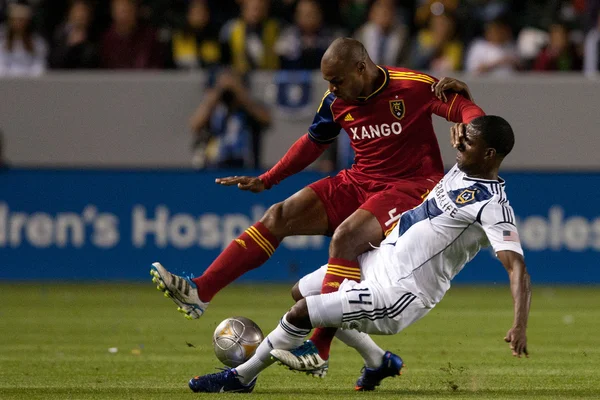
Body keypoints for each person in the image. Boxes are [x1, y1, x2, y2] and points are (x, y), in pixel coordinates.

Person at [150, 37, 484, 370]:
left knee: (347, 239)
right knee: (279, 215)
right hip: (358, 180)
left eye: (336, 80)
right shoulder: (335, 101)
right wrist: (268, 179)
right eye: (328, 81)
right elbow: (312, 143)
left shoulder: (413, 86)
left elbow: (468, 110)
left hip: (411, 188)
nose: (332, 88)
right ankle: (201, 291)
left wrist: (469, 129)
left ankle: (319, 349)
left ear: (361, 67)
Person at [187, 115, 531, 393]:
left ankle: (241, 378)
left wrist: (519, 325)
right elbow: (470, 128)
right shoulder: (461, 167)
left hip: (400, 292)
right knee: (302, 291)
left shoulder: (493, 207)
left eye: (469, 142)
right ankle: (378, 361)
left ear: (489, 155)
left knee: (304, 310)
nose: (459, 143)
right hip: (376, 262)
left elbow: (517, 269)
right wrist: (464, 109)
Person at [188, 70, 271, 169]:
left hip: (246, 165)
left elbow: (266, 120)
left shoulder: (249, 108)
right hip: (215, 164)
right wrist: (218, 92)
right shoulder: (214, 109)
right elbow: (195, 125)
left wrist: (239, 92)